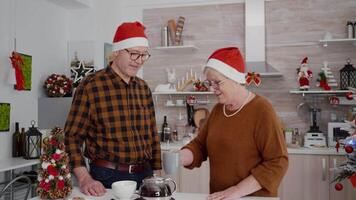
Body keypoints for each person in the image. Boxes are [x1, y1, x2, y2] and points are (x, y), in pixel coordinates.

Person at [64, 21, 162, 197]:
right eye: (134, 54)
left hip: (145, 175)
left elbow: (152, 135)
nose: (139, 61)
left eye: (144, 55)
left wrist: (157, 173)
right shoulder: (91, 85)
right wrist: (84, 178)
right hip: (107, 177)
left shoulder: (143, 87)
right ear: (116, 51)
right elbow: (72, 137)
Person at [179, 47, 288, 199]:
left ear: (235, 79)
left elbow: (277, 161)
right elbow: (200, 146)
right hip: (220, 197)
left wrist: (237, 190)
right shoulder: (218, 110)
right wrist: (180, 157)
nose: (212, 89)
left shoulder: (262, 110)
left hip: (252, 197)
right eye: (209, 83)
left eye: (216, 83)